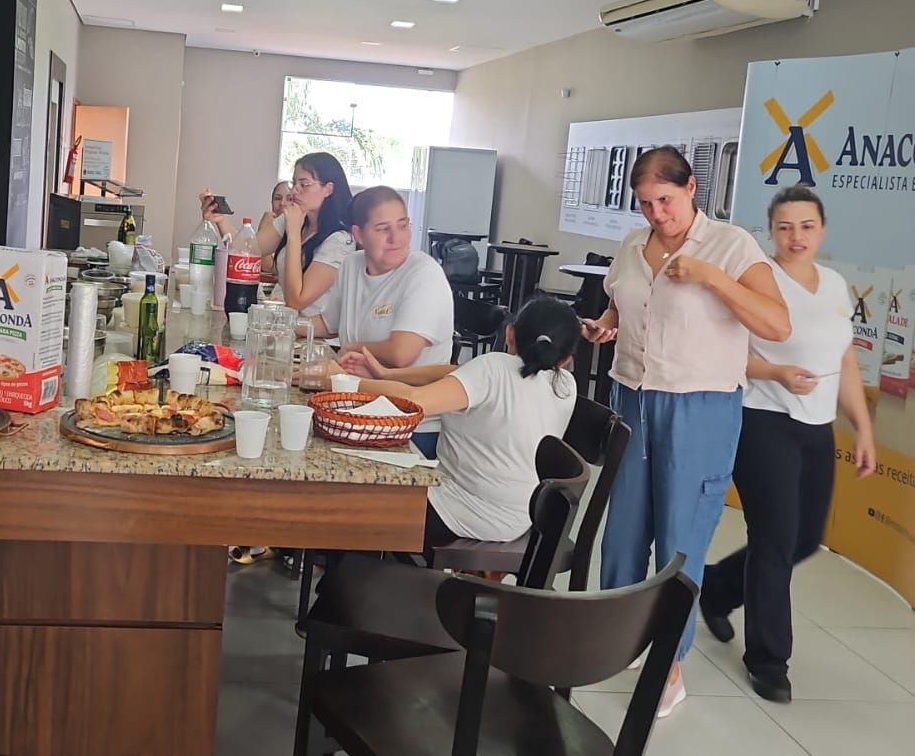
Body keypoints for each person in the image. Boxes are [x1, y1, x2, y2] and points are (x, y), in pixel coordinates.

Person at [581, 146, 790, 717]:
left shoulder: (729, 245)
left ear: (692, 187)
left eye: (666, 200)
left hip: (699, 406)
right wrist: (607, 325)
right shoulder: (633, 244)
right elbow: (624, 305)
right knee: (624, 532)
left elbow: (776, 323)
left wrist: (712, 278)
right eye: (646, 203)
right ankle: (623, 637)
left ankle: (669, 665)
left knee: (679, 536)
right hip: (632, 398)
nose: (657, 214)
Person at [698, 186, 876, 704]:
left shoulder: (835, 284)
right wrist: (775, 372)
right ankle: (769, 660)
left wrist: (863, 427)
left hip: (817, 426)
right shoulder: (757, 281)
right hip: (764, 420)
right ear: (771, 232)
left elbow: (844, 360)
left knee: (805, 539)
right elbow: (722, 353)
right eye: (785, 227)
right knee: (775, 540)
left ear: (822, 230)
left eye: (806, 226)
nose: (796, 237)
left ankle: (717, 588)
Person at [344, 296, 580, 556]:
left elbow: (413, 401)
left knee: (350, 503)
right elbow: (460, 373)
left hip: (462, 511)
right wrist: (388, 374)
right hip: (519, 517)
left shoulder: (492, 369)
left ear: (509, 334)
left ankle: (355, 575)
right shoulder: (566, 385)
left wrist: (340, 380)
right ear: (565, 359)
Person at [322, 185, 455, 457]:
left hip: (410, 426)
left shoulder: (424, 273)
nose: (396, 238)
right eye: (383, 229)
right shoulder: (352, 265)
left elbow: (401, 353)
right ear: (359, 234)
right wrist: (279, 323)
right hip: (356, 410)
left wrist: (353, 348)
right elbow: (326, 324)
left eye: (403, 225)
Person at [200, 152, 355, 318]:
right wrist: (221, 220)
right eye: (294, 183)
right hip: (284, 324)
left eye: (304, 184)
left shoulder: (340, 241)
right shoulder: (293, 219)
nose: (295, 190)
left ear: (328, 189)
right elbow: (248, 248)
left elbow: (297, 301)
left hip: (312, 331)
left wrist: (293, 235)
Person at [258, 180, 293, 274]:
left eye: (289, 199)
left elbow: (268, 267)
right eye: (277, 198)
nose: (282, 203)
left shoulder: (300, 229)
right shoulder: (270, 223)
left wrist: (263, 227)